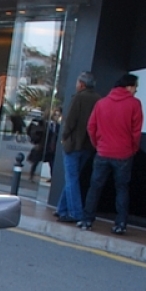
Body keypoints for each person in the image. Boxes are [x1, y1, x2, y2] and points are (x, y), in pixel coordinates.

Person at [80, 73, 142, 235]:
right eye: (135, 87)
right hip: (124, 153)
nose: (136, 91)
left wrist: (98, 144)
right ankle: (120, 223)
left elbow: (91, 127)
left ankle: (87, 220)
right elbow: (136, 131)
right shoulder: (134, 104)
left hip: (103, 151)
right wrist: (133, 149)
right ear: (128, 86)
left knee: (95, 187)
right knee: (122, 188)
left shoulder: (102, 103)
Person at [55, 72, 99, 222]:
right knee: (73, 178)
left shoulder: (79, 98)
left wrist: (64, 137)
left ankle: (75, 213)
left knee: (71, 178)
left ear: (81, 84)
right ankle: (62, 208)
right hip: (88, 145)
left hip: (73, 144)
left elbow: (70, 122)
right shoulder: (99, 100)